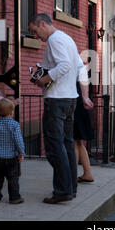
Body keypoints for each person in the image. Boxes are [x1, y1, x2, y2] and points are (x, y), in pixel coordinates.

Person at [28, 13, 92, 204]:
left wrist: (44, 80)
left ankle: (63, 190)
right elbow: (79, 68)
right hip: (70, 98)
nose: (36, 36)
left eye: (35, 31)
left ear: (42, 23)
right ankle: (70, 187)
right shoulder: (67, 38)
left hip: (57, 99)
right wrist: (85, 95)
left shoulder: (54, 40)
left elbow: (63, 66)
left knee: (54, 146)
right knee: (66, 144)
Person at [74, 64, 95, 183]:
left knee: (73, 141)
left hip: (76, 105)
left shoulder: (71, 64)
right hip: (81, 105)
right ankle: (87, 173)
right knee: (78, 142)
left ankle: (72, 175)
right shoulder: (80, 66)